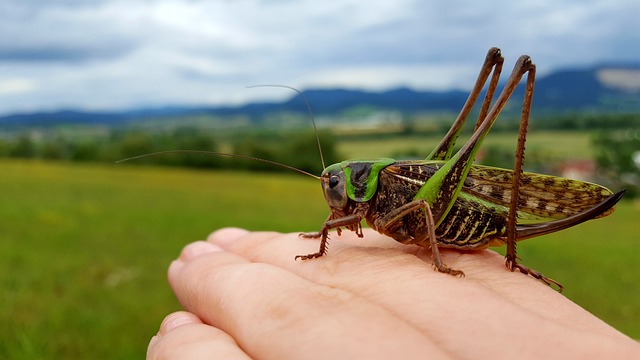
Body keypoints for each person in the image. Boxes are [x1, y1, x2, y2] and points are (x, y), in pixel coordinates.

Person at [147, 227, 640, 359]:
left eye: (337, 185)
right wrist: (320, 245)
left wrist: (439, 262)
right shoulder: (349, 210)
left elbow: (422, 216)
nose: (332, 194)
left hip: (447, 217)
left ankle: (513, 256)